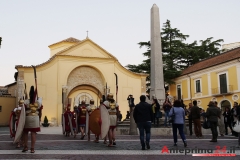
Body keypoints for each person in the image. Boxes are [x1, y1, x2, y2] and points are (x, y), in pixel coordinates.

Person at [22, 86, 43, 153]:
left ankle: (25, 147)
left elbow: (23, 110)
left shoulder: (26, 101)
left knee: (25, 132)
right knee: (33, 133)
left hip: (28, 117)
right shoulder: (38, 102)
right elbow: (40, 110)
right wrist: (39, 118)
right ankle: (32, 149)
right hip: (35, 118)